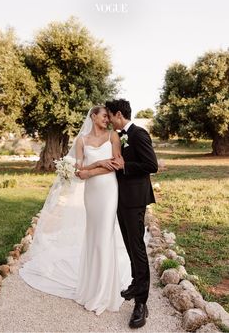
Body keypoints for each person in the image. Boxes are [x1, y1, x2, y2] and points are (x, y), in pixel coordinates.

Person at [19, 106, 132, 316]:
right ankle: (91, 287)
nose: (107, 119)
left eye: (109, 116)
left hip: (108, 190)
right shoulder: (81, 140)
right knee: (93, 235)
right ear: (93, 116)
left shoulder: (113, 136)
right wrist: (97, 163)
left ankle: (105, 290)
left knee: (104, 236)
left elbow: (117, 163)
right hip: (92, 193)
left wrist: (91, 171)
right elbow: (79, 171)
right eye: (104, 115)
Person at [105, 99, 158, 329]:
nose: (108, 120)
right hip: (122, 199)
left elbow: (151, 165)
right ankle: (137, 284)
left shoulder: (138, 133)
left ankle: (141, 303)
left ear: (119, 114)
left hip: (135, 200)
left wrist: (124, 167)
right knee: (129, 245)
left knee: (137, 248)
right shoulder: (120, 135)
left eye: (109, 116)